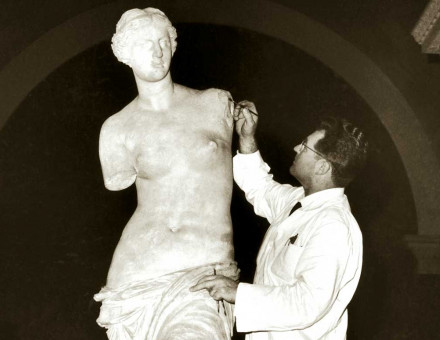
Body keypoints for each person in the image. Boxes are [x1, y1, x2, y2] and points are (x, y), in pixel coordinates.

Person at [93, 8, 239, 340]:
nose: (158, 52)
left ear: (174, 45)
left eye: (163, 41)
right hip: (133, 281)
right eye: (145, 44)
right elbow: (119, 181)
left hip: (202, 274)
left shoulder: (215, 104)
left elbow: (247, 173)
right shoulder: (116, 129)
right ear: (125, 54)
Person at [191, 101, 368, 339]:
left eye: (305, 147)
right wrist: (247, 136)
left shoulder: (333, 226)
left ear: (323, 167)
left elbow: (308, 302)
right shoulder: (298, 201)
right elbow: (259, 186)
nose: (296, 148)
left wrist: (238, 293)